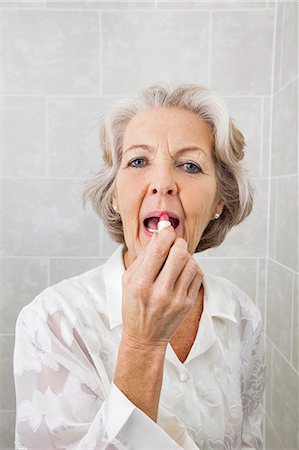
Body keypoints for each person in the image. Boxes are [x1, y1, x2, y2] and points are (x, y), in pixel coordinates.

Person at [13, 83, 265, 450]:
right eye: (138, 161)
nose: (162, 183)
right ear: (114, 195)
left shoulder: (243, 316)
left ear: (219, 202)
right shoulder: (52, 322)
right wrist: (143, 344)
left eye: (190, 165)